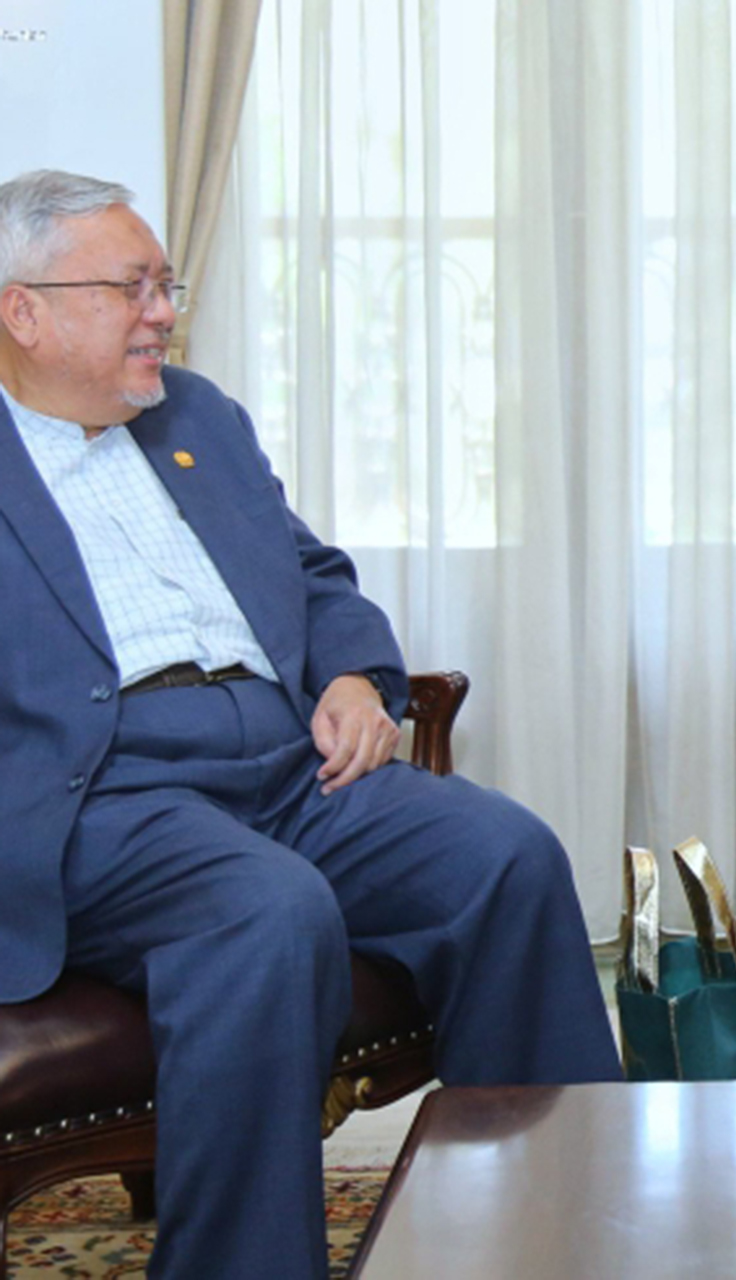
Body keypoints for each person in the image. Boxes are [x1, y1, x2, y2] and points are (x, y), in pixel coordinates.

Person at [0, 169, 622, 1278]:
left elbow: (312, 573)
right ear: (24, 311)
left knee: (506, 856)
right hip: (103, 794)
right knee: (267, 911)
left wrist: (352, 677)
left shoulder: (195, 416)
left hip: (289, 763)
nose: (163, 312)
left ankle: (552, 1233)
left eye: (166, 285)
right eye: (132, 288)